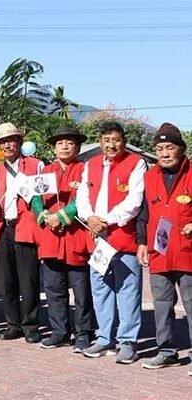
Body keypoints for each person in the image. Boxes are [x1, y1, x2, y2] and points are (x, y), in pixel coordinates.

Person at [76, 121, 147, 363]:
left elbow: (134, 202)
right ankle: (104, 337)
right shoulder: (91, 164)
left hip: (123, 238)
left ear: (123, 141)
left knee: (128, 291)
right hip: (97, 239)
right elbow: (82, 197)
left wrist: (106, 220)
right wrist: (90, 218)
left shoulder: (136, 163)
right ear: (100, 141)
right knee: (101, 290)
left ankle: (127, 341)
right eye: (106, 140)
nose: (111, 145)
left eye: (115, 140)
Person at [29, 126, 96, 351]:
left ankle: (84, 333)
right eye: (60, 143)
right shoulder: (46, 171)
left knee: (81, 291)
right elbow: (36, 198)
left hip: (76, 238)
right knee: (54, 290)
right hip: (50, 239)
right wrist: (44, 215)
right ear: (54, 147)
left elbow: (84, 200)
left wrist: (62, 216)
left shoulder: (86, 170)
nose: (65, 146)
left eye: (69, 142)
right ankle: (59, 331)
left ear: (77, 147)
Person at [137, 123, 192, 372]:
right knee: (161, 304)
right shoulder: (149, 177)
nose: (164, 153)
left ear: (181, 149)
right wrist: (141, 242)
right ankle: (166, 351)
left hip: (187, 251)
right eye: (159, 149)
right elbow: (142, 213)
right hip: (158, 251)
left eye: (169, 147)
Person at [0, 122, 44, 343]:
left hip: (27, 227)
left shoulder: (35, 165)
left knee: (28, 279)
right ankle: (13, 324)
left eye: (11, 140)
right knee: (8, 280)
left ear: (19, 142)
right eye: (3, 142)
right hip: (4, 227)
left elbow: (43, 195)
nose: (7, 145)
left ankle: (31, 326)